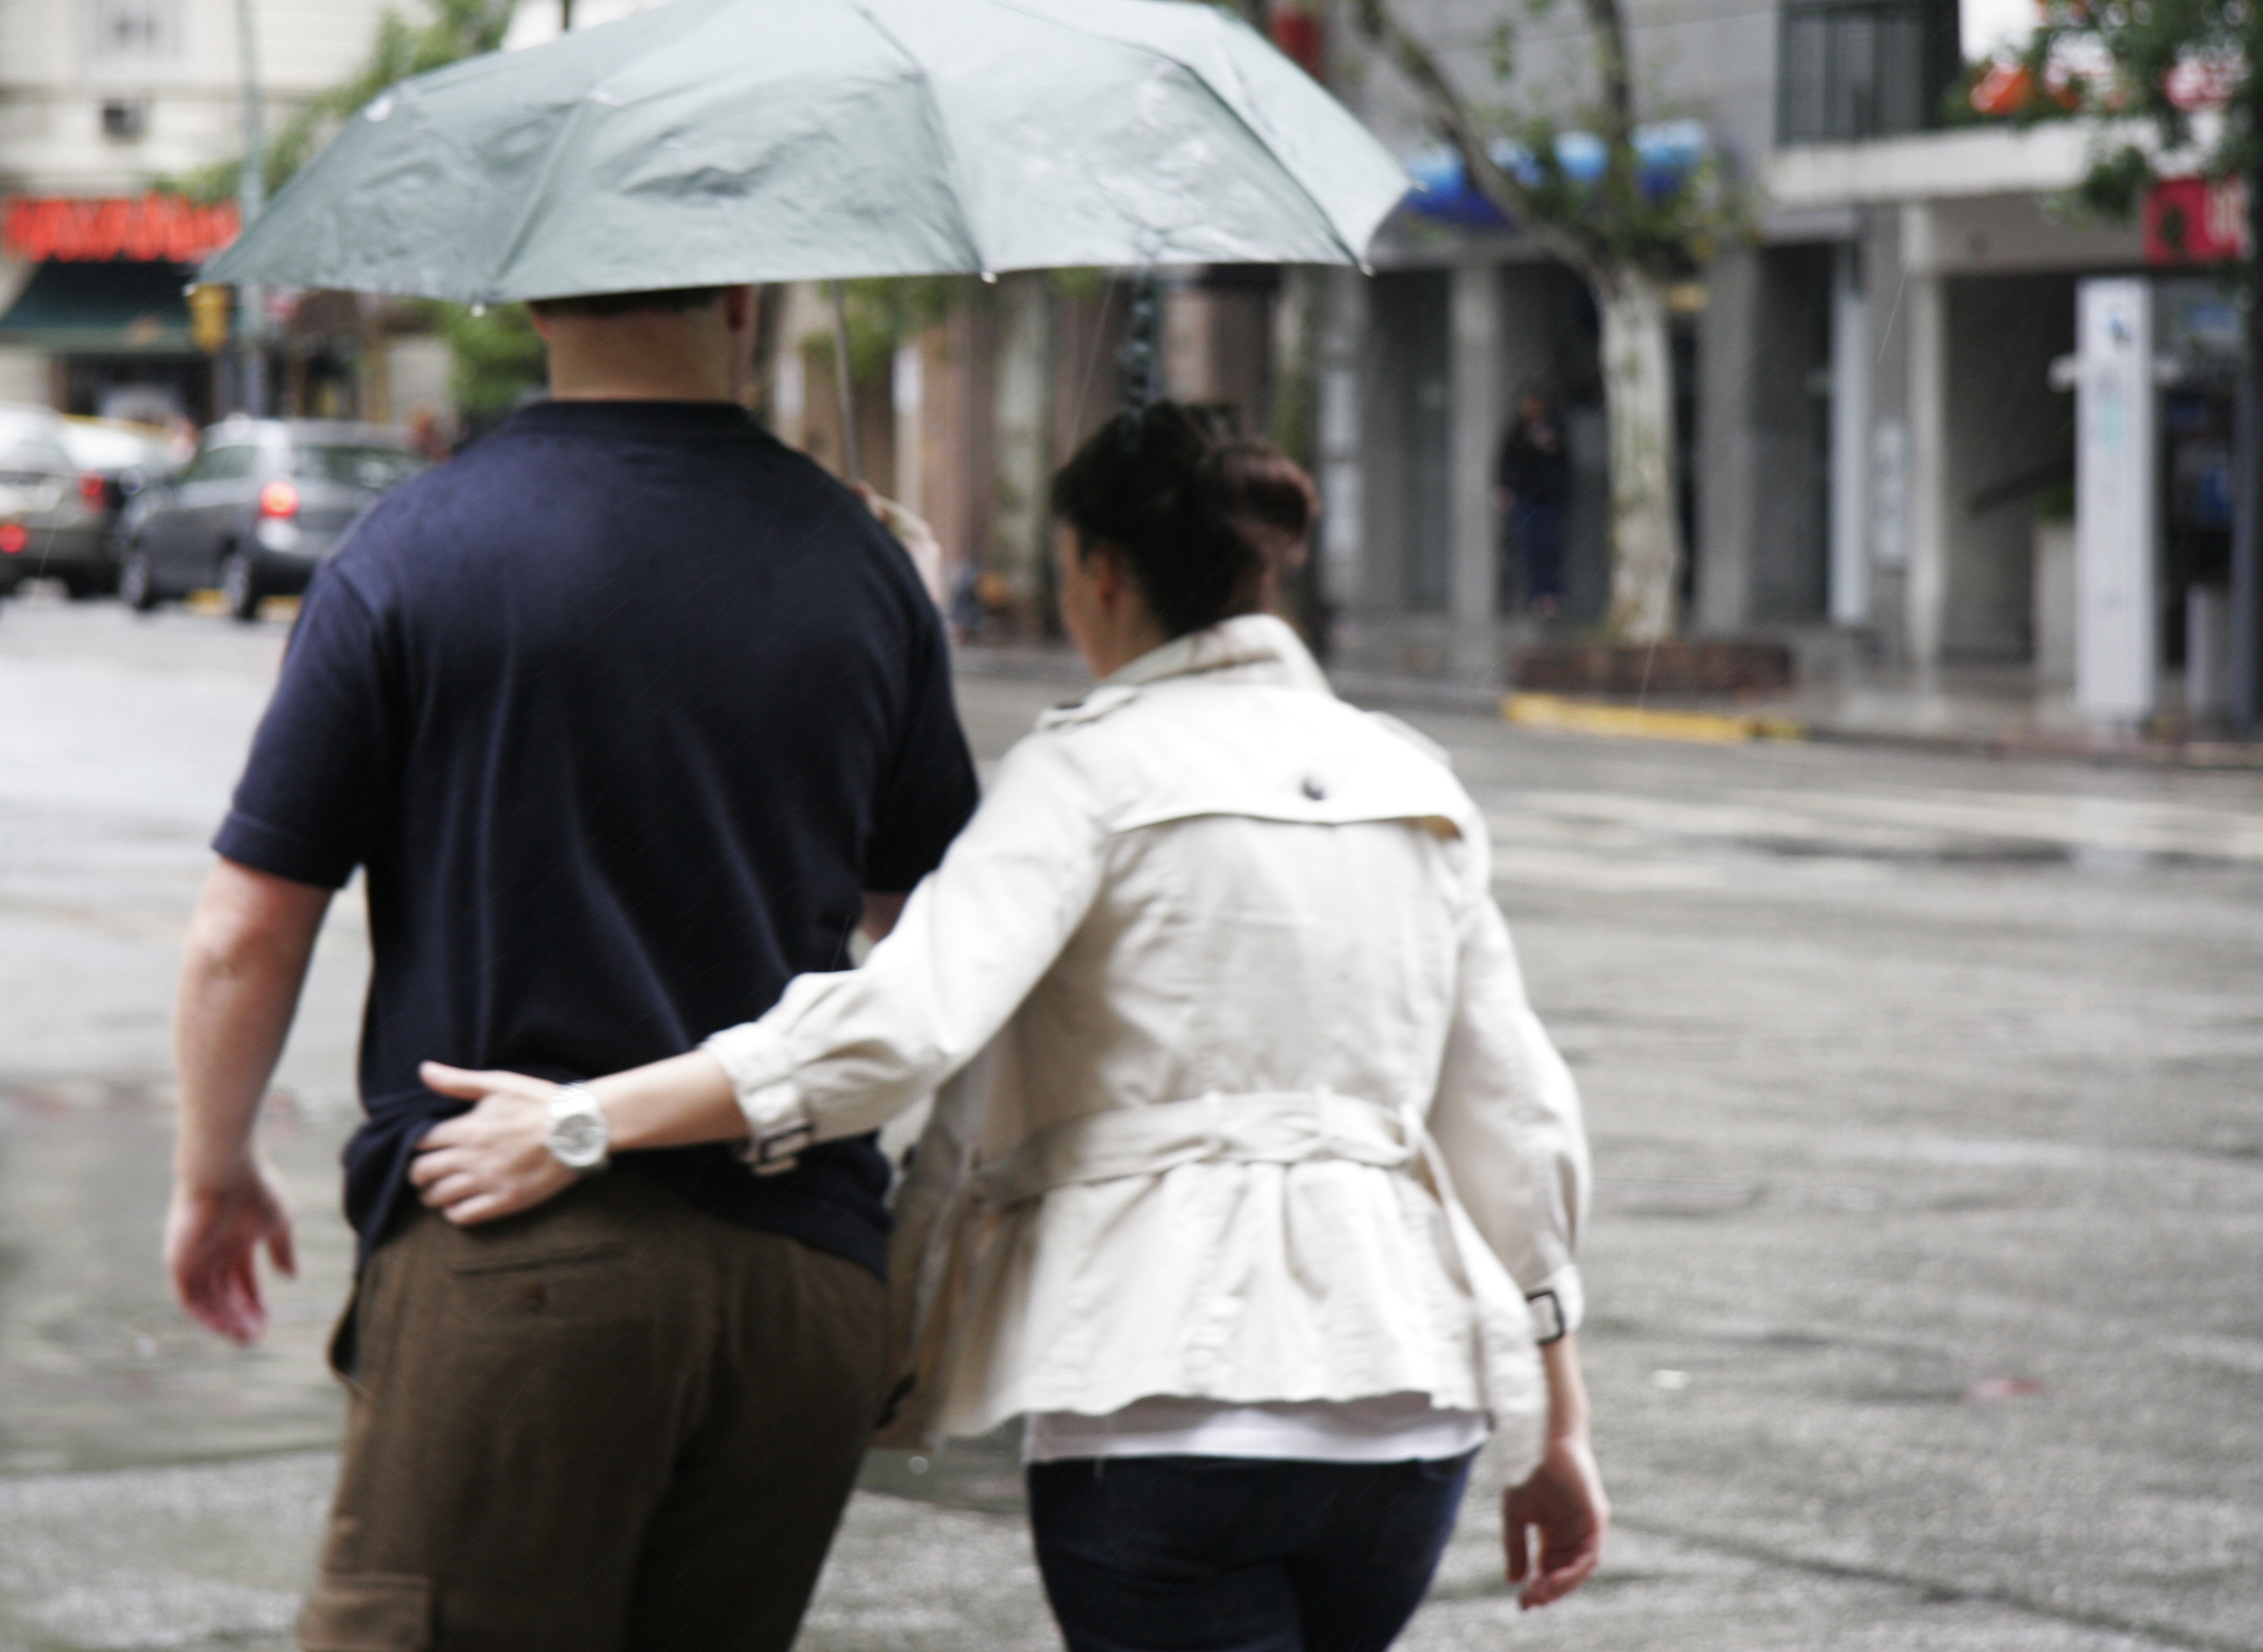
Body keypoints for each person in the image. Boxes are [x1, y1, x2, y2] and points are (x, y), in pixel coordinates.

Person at [408, 402, 1609, 1651]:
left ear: (1101, 572)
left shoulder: (1088, 768)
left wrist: (586, 1119)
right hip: (1410, 1417)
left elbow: (904, 1024)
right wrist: (1559, 1428)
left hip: (1159, 1399)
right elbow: (1515, 1116)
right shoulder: (1409, 778)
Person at [161, 283, 979, 1651]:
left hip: (520, 1257)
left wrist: (213, 1166)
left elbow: (247, 930)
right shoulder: (862, 562)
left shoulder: (416, 547)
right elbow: (937, 944)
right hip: (807, 1281)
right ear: (742, 301)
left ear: (538, 300)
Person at [1495, 389, 1568, 620]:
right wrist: (1505, 488)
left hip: (1547, 498)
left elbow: (1562, 463)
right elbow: (1506, 462)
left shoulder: (1553, 430)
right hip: (1524, 496)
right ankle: (1535, 596)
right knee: (1528, 547)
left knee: (1549, 547)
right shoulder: (1516, 432)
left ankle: (1551, 595)